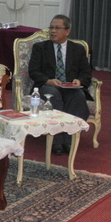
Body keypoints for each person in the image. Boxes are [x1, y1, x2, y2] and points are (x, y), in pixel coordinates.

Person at [28, 14, 92, 154]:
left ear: (67, 31)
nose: (53, 31)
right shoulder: (40, 48)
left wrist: (79, 81)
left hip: (69, 87)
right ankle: (57, 141)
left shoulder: (78, 49)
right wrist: (48, 81)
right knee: (53, 95)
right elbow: (33, 71)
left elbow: (86, 73)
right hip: (47, 85)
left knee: (78, 96)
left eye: (57, 28)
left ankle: (68, 140)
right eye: (51, 27)